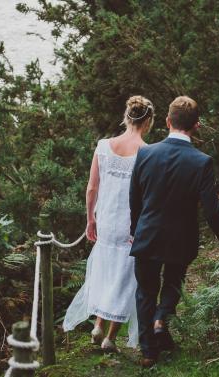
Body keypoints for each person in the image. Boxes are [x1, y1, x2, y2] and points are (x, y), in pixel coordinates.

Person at [129, 95, 219, 367]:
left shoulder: (146, 153)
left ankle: (148, 352)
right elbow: (213, 211)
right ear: (196, 126)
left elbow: (135, 198)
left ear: (167, 121)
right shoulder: (201, 162)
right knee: (173, 282)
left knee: (145, 290)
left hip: (148, 234)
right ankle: (161, 318)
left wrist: (135, 229)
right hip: (181, 238)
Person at [63, 96, 155, 352]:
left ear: (127, 116)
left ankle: (97, 325)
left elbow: (92, 187)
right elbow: (147, 193)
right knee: (124, 277)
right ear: (148, 121)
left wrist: (90, 218)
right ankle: (110, 338)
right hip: (131, 225)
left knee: (104, 271)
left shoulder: (103, 146)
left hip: (106, 220)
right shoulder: (147, 152)